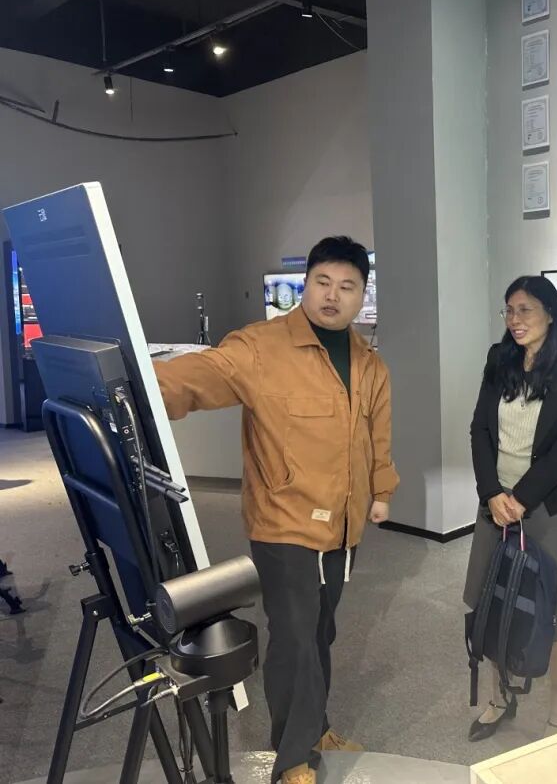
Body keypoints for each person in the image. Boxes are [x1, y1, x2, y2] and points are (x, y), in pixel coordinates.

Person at [154, 236, 398, 784]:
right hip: (284, 522)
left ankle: (315, 727)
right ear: (305, 285)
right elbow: (199, 375)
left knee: (320, 633)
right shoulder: (261, 348)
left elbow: (376, 435)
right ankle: (292, 759)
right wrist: (137, 389)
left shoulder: (369, 363)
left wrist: (381, 490)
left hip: (341, 526)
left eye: (347, 286)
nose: (333, 296)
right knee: (294, 638)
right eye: (322, 282)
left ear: (361, 295)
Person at [464, 275, 557, 740]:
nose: (514, 319)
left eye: (524, 310)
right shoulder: (499, 358)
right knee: (490, 596)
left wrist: (522, 498)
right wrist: (492, 493)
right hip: (496, 502)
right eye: (509, 310)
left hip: (548, 503)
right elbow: (480, 430)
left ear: (550, 313)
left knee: (556, 606)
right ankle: (500, 699)